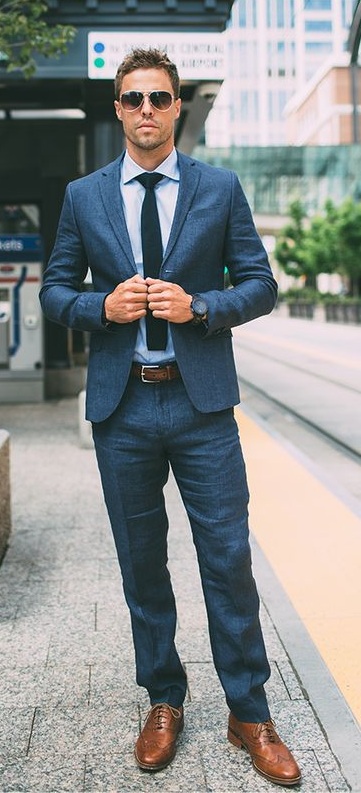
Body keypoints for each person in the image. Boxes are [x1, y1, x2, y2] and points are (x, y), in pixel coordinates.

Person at [40, 47, 301, 787]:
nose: (146, 110)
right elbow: (54, 290)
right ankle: (163, 699)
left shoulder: (217, 188)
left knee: (227, 560)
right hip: (122, 407)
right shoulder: (83, 195)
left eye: (159, 97)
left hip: (201, 404)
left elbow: (260, 283)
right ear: (117, 108)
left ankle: (247, 711)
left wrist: (204, 308)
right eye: (132, 98)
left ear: (178, 105)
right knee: (141, 563)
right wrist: (99, 307)